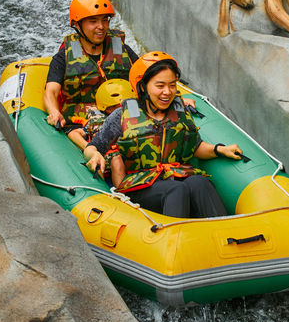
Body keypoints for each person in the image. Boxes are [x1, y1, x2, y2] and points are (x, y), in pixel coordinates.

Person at [82, 51, 242, 218]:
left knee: (199, 182)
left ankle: (221, 232)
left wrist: (219, 149)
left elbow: (195, 147)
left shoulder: (180, 110)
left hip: (174, 176)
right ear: (143, 86)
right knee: (176, 189)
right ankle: (174, 238)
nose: (168, 92)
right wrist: (94, 155)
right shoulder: (122, 115)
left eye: (172, 85)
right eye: (160, 86)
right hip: (139, 186)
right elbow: (93, 147)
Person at [44, 0, 138, 150]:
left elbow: (146, 76)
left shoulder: (121, 49)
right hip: (80, 120)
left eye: (104, 21)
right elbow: (51, 92)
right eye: (93, 21)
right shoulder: (63, 57)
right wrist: (54, 112)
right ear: (78, 24)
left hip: (121, 112)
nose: (101, 27)